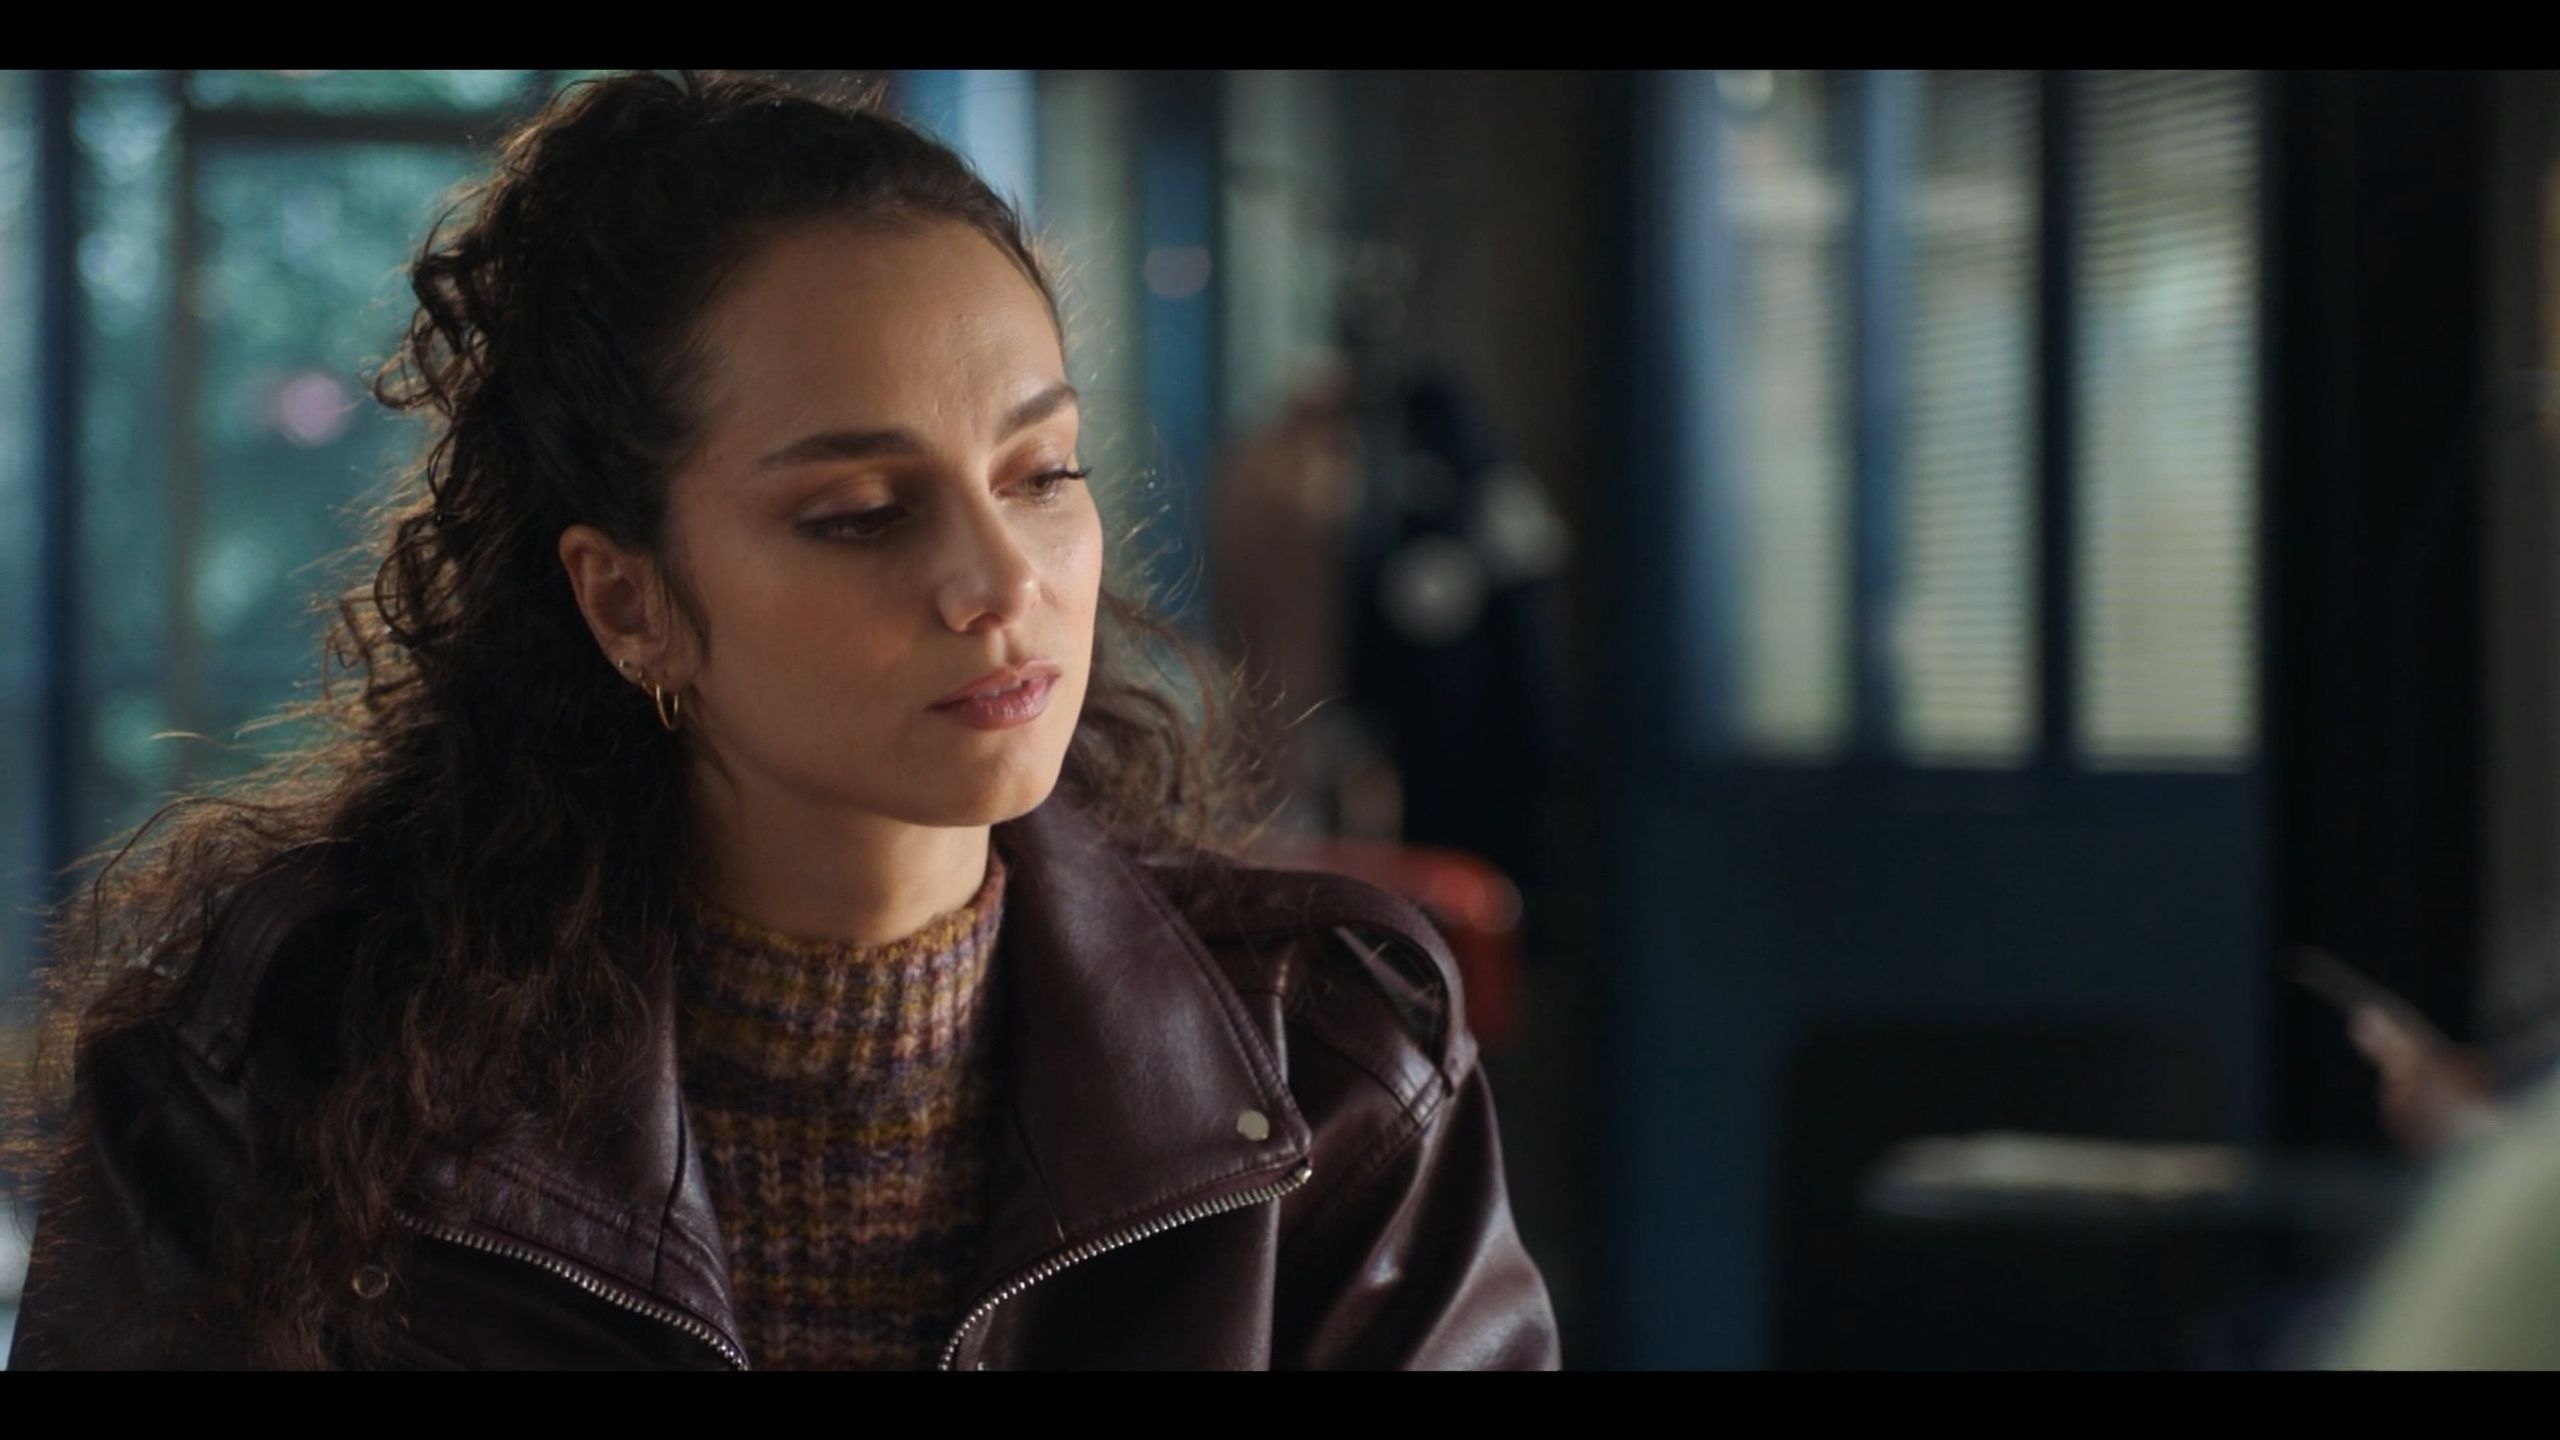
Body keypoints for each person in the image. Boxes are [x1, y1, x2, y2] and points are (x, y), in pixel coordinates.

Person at [3, 70, 1558, 1371]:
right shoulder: (276, 1069)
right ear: (629, 604)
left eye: (1042, 473)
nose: (1000, 583)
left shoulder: (1331, 1063)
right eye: (863, 512)